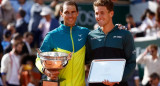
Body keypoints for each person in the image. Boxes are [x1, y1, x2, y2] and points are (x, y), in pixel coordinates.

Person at [35, 1, 90, 86]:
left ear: (77, 13)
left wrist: (117, 28)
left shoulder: (85, 32)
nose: (70, 16)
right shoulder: (52, 35)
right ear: (61, 14)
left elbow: (100, 35)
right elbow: (38, 58)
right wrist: (45, 70)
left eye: (73, 12)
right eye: (67, 12)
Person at [86, 0, 136, 86]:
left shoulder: (125, 35)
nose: (99, 16)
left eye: (102, 13)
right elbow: (86, 61)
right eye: (96, 13)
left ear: (111, 14)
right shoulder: (90, 36)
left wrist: (118, 79)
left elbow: (131, 63)